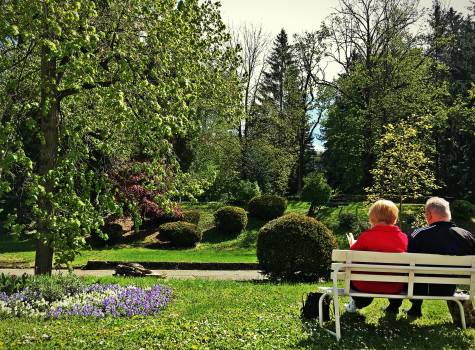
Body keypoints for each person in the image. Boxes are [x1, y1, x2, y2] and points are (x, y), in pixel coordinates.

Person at [401, 197, 475, 319]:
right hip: (449, 289)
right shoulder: (466, 235)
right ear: (448, 213)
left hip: (419, 289)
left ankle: (415, 308)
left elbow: (405, 260)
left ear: (429, 214)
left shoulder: (419, 234)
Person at [344, 199, 408, 313]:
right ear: (394, 219)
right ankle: (394, 307)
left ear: (372, 219)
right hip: (394, 286)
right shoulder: (403, 238)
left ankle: (357, 303)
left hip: (364, 285)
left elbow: (350, 256)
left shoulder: (365, 237)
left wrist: (353, 244)